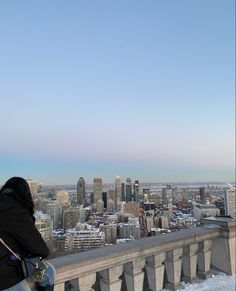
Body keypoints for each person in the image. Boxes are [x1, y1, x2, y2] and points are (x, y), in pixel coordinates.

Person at [0, 177, 56, 291]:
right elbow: (41, 249)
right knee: (48, 274)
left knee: (48, 271)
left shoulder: (6, 207)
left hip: (6, 266)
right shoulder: (15, 211)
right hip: (5, 276)